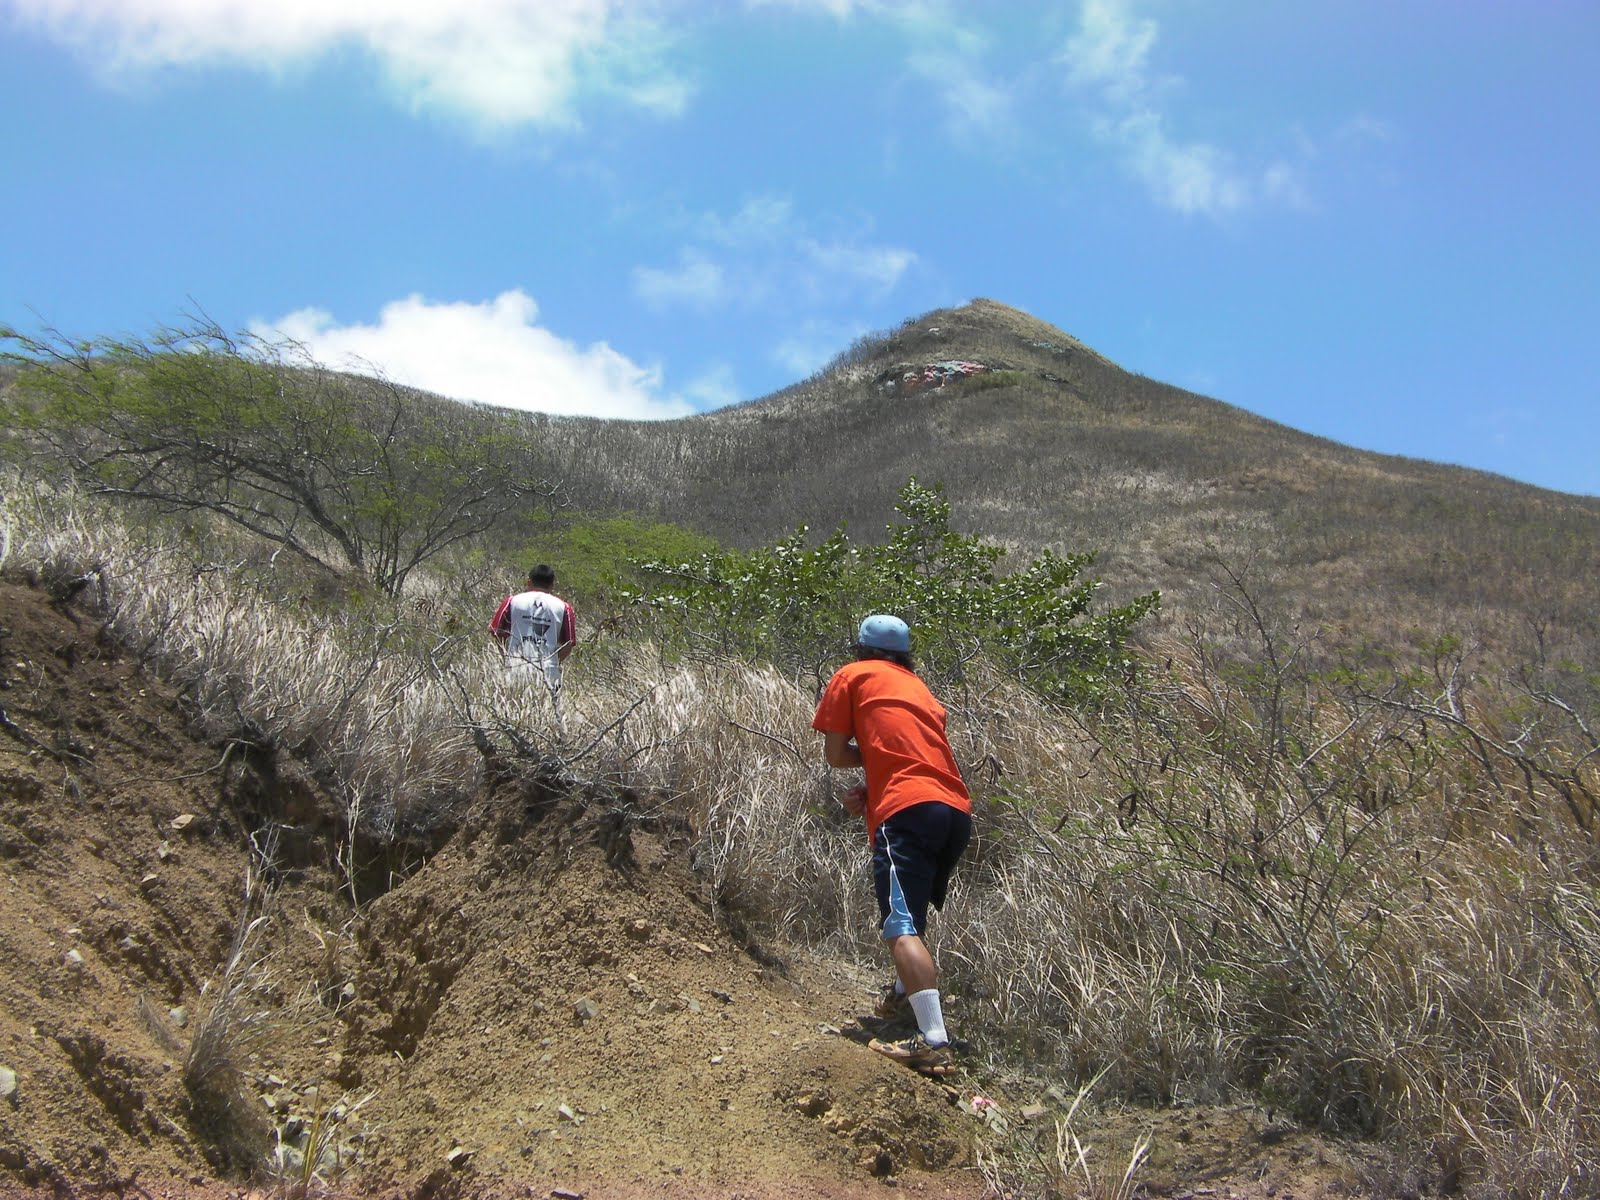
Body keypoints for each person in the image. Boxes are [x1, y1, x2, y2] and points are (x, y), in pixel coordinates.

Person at [811, 614, 972, 1075]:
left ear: (861, 649)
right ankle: (902, 999)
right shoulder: (919, 688)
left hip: (906, 809)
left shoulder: (853, 675)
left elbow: (838, 754)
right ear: (904, 654)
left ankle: (934, 1041)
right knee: (913, 913)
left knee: (900, 925)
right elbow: (914, 752)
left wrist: (872, 765)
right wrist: (878, 774)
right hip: (953, 810)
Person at [489, 563, 577, 690]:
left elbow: (496, 631)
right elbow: (568, 644)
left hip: (515, 667)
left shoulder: (512, 601)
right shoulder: (564, 607)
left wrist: (508, 655)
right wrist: (553, 662)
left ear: (529, 581)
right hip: (548, 673)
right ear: (552, 585)